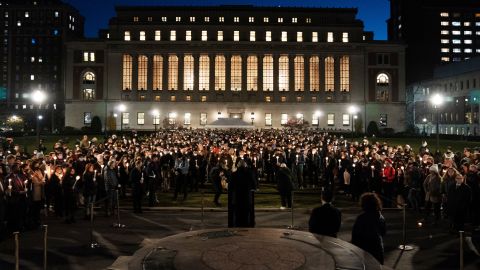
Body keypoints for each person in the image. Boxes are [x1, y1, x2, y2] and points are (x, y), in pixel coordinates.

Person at [351, 192, 386, 265]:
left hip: (364, 250)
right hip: (378, 249)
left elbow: (355, 236)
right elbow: (383, 233)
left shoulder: (361, 218)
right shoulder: (380, 217)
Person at [228, 160, 256, 227]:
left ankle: (237, 225)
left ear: (237, 166)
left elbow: (230, 186)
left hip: (237, 197)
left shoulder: (234, 174)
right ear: (245, 166)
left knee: (237, 213)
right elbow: (254, 184)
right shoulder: (249, 174)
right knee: (246, 213)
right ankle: (247, 224)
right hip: (246, 196)